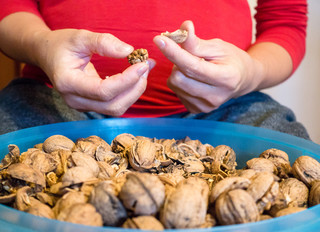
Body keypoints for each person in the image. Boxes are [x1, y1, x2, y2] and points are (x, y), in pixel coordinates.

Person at [0, 0, 309, 139]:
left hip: (227, 108)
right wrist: (42, 44)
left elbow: (286, 23)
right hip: (54, 101)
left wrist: (251, 72)